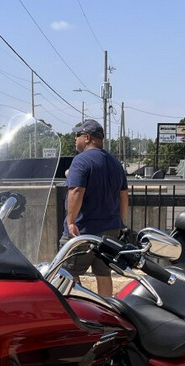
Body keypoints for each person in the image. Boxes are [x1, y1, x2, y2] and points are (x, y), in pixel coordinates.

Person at [61, 119, 129, 297]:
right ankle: (106, 308)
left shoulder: (80, 161)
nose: (75, 139)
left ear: (87, 137)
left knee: (69, 272)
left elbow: (76, 190)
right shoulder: (115, 163)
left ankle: (78, 307)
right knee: (104, 273)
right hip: (110, 230)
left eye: (77, 135)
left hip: (83, 230)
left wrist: (70, 222)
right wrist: (120, 223)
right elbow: (123, 197)